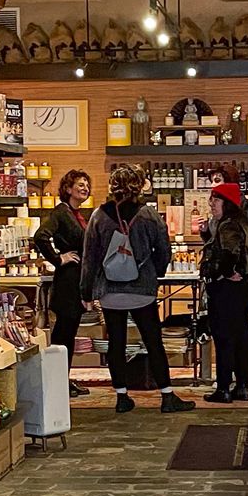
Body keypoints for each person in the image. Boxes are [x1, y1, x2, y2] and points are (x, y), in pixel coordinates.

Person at [81, 162, 194, 415]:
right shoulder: (148, 215)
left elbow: (89, 257)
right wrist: (155, 272)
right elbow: (164, 249)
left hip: (109, 292)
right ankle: (167, 396)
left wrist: (86, 292)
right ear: (139, 185)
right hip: (141, 290)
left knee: (116, 343)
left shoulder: (99, 215)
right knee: (153, 341)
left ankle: (122, 396)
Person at [32, 167, 92, 396]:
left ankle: (63, 379)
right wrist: (58, 259)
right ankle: (57, 381)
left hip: (76, 280)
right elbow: (41, 236)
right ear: (68, 189)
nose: (85, 188)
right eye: (80, 184)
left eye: (86, 184)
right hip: (67, 280)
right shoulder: (61, 212)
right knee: (63, 334)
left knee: (69, 332)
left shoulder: (77, 214)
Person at [201, 181, 248, 402]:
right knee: (240, 336)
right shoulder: (242, 223)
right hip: (241, 288)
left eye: (216, 200)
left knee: (224, 337)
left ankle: (223, 388)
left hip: (227, 290)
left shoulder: (228, 226)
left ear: (228, 203)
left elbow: (229, 252)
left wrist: (223, 272)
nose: (211, 204)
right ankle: (242, 386)